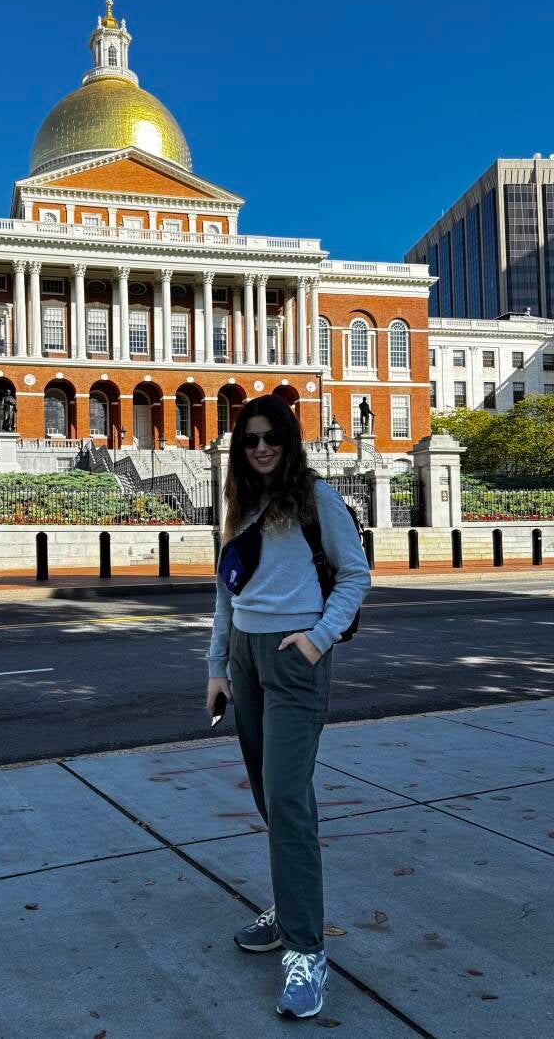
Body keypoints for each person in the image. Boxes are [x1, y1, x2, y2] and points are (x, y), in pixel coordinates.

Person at [206, 394, 370, 1019]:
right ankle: (288, 903)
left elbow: (355, 575)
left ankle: (306, 950)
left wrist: (317, 639)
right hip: (245, 658)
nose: (261, 448)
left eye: (271, 437)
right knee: (268, 797)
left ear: (290, 440)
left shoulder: (318, 499)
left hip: (295, 658)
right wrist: (217, 667)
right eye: (249, 439)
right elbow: (225, 590)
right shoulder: (240, 502)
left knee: (290, 802)